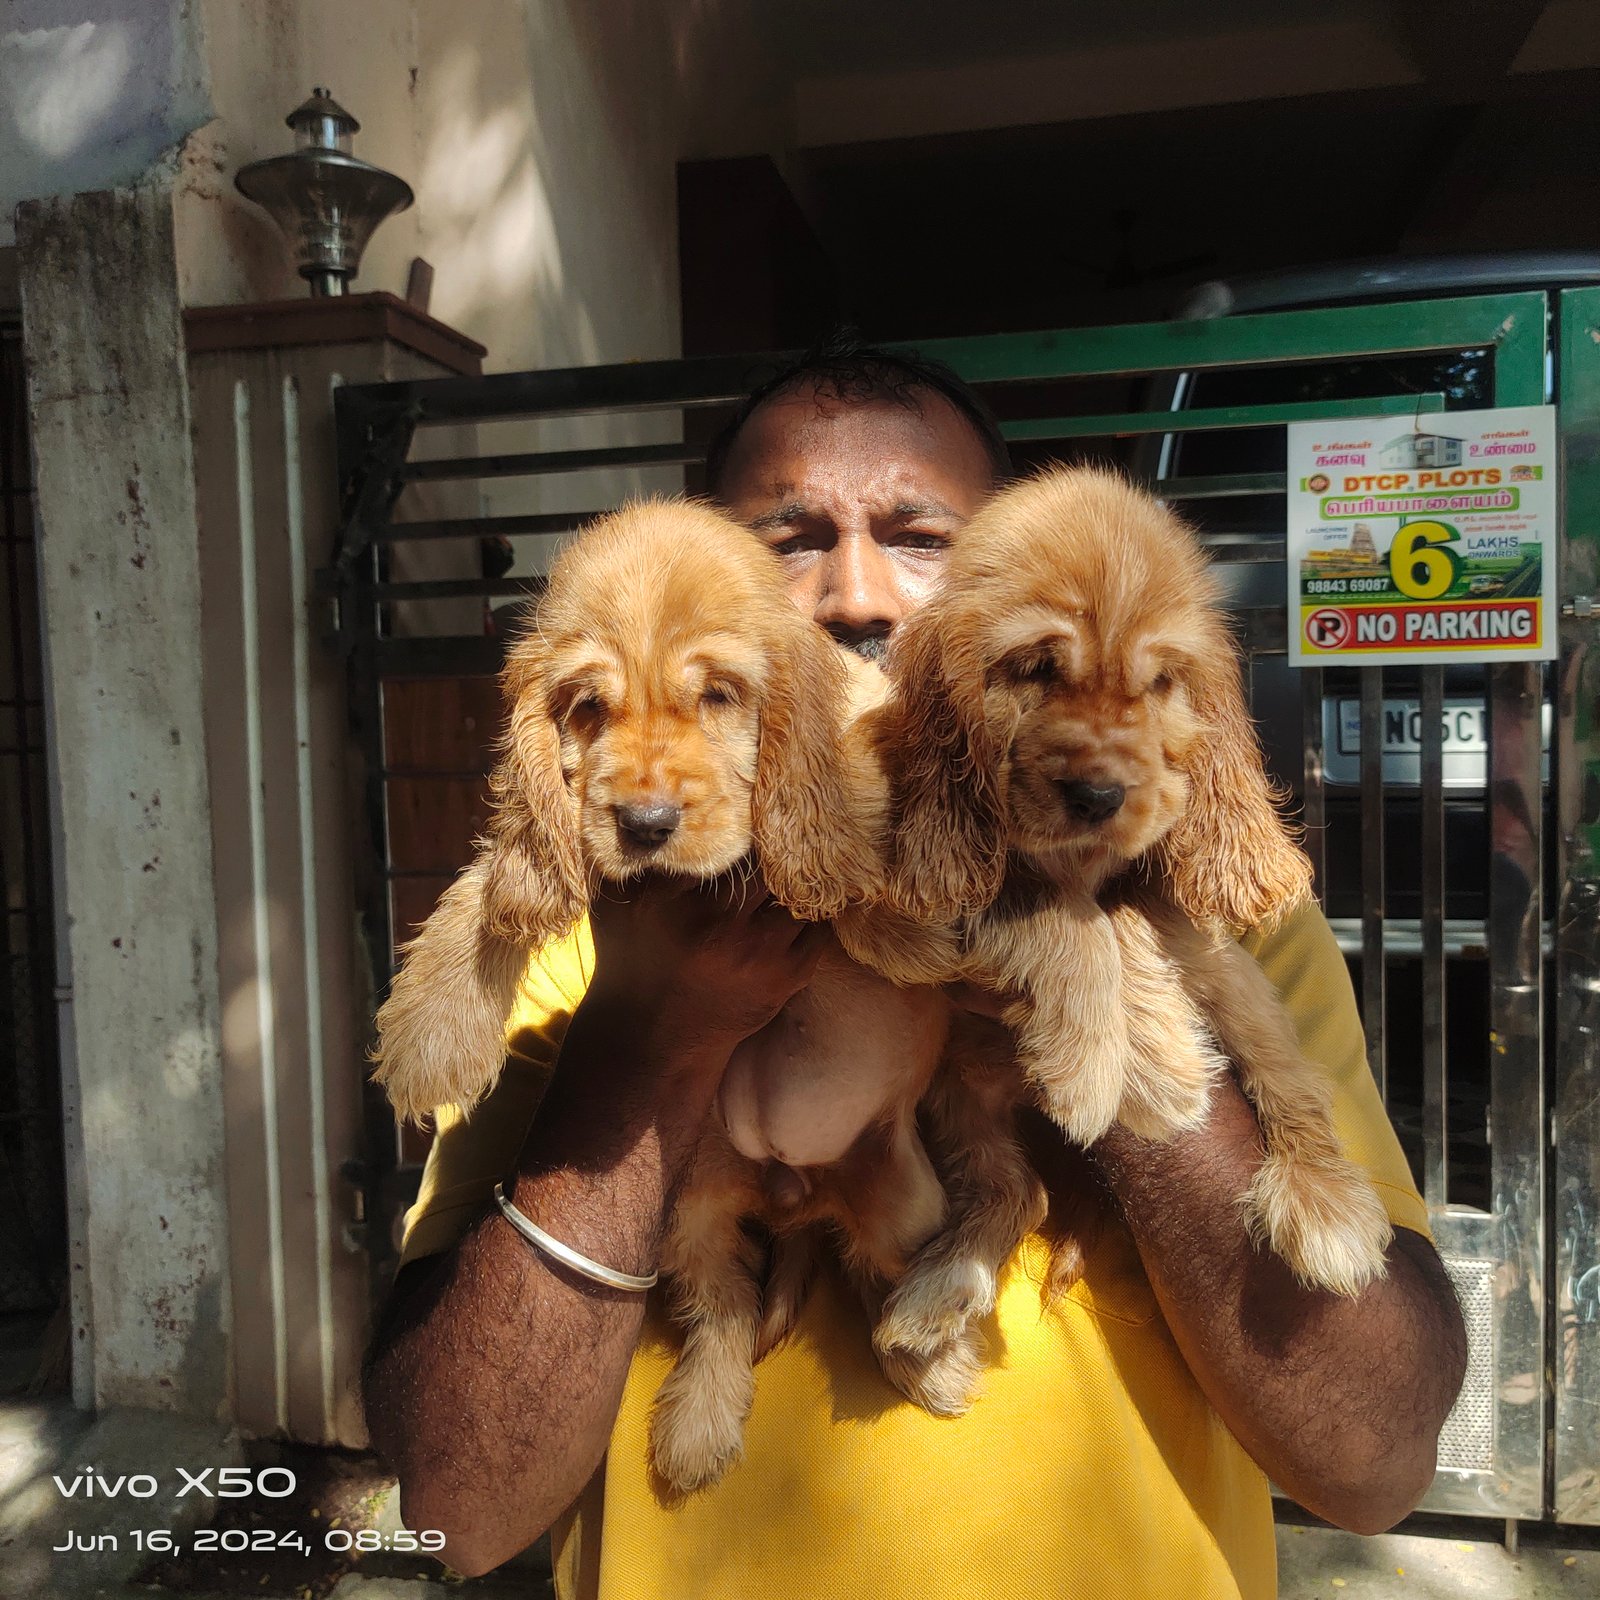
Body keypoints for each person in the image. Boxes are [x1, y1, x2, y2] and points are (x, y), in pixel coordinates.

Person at [361, 339, 1467, 1599]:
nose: (857, 595)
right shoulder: (599, 906)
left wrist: (1077, 965)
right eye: (787, 538)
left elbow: (1375, 1460)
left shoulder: (1210, 907)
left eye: (921, 535)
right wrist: (652, 1039)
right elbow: (452, 1507)